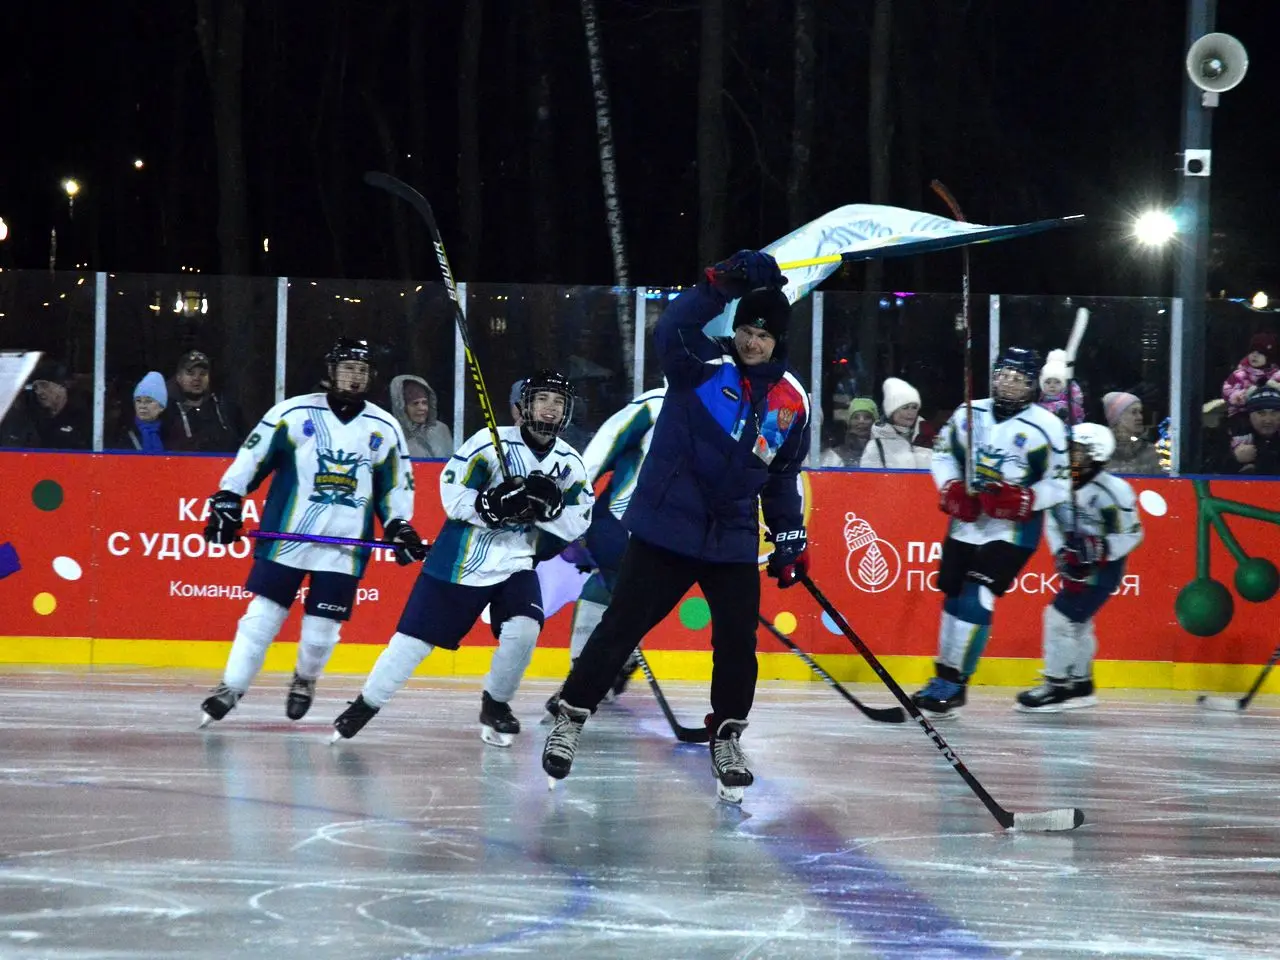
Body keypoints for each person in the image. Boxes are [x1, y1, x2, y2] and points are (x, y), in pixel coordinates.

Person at [540, 249, 811, 804]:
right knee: (621, 626)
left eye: (763, 333)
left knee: (737, 642)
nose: (752, 340)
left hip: (732, 536)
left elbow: (782, 474)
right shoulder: (700, 369)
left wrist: (789, 534)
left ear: (778, 339)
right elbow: (674, 326)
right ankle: (572, 714)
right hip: (669, 528)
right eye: (746, 329)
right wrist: (722, 285)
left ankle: (728, 735)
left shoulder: (792, 401)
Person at [330, 369, 594, 747]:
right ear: (525, 405)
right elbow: (452, 492)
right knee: (412, 644)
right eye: (542, 400)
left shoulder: (569, 462)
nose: (550, 408)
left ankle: (496, 705)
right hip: (460, 560)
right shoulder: (489, 444)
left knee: (524, 629)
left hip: (515, 563)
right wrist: (490, 504)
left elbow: (578, 516)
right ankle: (365, 704)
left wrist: (547, 511)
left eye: (558, 402)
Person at [197, 338, 424, 726]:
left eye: (362, 370)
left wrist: (399, 524)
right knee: (262, 617)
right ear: (331, 371)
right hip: (288, 538)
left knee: (322, 630)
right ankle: (231, 687)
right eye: (348, 368)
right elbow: (252, 458)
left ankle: (305, 679)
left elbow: (396, 485)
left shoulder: (384, 427)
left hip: (344, 547)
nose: (355, 377)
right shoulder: (292, 412)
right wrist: (228, 498)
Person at [913, 346, 1070, 719]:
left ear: (1033, 385)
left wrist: (1026, 499)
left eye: (1018, 379)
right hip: (966, 522)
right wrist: (950, 487)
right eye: (1003, 375)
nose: (1008, 384)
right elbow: (942, 454)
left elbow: (1063, 482)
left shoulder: (1047, 426)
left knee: (976, 597)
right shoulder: (970, 412)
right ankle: (944, 676)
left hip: (1012, 530)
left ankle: (956, 683)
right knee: (953, 596)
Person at [543, 383, 669, 714]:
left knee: (614, 592)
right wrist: (571, 501)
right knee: (618, 590)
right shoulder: (655, 405)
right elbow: (603, 447)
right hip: (621, 521)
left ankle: (599, 669)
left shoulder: (724, 411)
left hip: (673, 531)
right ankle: (586, 675)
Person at [1017, 423, 1143, 712]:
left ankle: (1057, 686)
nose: (1070, 456)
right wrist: (1061, 551)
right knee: (1078, 623)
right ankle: (1081, 685)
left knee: (1058, 618)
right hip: (1075, 559)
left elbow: (1132, 533)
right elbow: (1053, 521)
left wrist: (1100, 549)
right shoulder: (1060, 483)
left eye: (1078, 451)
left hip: (1103, 568)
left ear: (1096, 455)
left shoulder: (1115, 491)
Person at [164, 350, 244, 453]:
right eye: (190, 373)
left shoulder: (225, 409)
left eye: (203, 374)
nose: (197, 378)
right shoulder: (168, 412)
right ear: (179, 377)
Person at [860, 377, 931, 469]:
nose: (911, 412)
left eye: (914, 407)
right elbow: (868, 480)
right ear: (892, 412)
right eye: (905, 408)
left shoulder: (928, 438)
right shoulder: (876, 446)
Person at [28, 361, 92, 450]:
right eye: (35, 387)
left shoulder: (84, 418)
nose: (38, 391)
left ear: (64, 386)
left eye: (44, 385)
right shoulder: (32, 417)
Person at [388, 374, 454, 458]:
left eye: (424, 402)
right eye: (415, 403)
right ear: (402, 407)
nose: (422, 408)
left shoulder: (441, 430)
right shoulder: (393, 434)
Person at [1222, 332, 1279, 422]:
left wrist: (1274, 385)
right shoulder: (1240, 375)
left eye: (1260, 353)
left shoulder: (1276, 375)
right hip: (1243, 413)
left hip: (1272, 415)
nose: (1254, 355)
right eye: (1252, 351)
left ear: (1269, 357)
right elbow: (1228, 393)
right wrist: (1246, 394)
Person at [1222, 385, 1280, 475]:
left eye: (1274, 413)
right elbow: (1209, 474)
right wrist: (1234, 459)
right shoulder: (1231, 436)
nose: (1268, 420)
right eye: (1261, 413)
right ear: (1249, 415)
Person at [1101, 391, 1162, 475]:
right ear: (1118, 417)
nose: (1140, 417)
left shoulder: (1150, 451)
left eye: (1140, 412)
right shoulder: (1101, 451)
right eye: (1134, 412)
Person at [114, 371, 168, 452]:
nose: (142, 406)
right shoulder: (122, 431)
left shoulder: (171, 431)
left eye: (149, 401)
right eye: (138, 401)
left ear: (161, 407)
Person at [820, 397, 875, 466]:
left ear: (874, 421)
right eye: (856, 417)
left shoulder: (882, 449)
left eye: (867, 417)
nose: (861, 421)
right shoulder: (837, 453)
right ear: (849, 422)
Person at [1037, 349, 1085, 426]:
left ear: (1065, 385)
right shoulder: (1039, 402)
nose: (1052, 386)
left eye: (1057, 382)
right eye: (1047, 382)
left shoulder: (1070, 406)